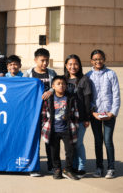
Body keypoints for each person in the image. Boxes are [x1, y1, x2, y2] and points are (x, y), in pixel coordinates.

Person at [86, 49, 121, 179]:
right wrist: (92, 112)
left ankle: (111, 168)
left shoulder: (111, 74)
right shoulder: (88, 75)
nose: (98, 61)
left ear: (104, 59)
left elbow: (116, 95)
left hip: (109, 114)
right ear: (91, 61)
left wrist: (112, 113)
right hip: (95, 114)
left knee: (108, 140)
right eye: (95, 59)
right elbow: (87, 97)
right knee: (97, 141)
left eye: (100, 59)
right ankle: (99, 167)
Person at [23, 48, 56, 176]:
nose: (44, 63)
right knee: (33, 140)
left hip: (48, 112)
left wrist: (51, 91)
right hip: (32, 113)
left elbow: (58, 85)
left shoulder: (52, 73)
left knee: (50, 140)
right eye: (42, 60)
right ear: (35, 60)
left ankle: (51, 166)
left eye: (47, 60)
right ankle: (33, 167)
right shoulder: (28, 73)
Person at [41, 76, 79, 180]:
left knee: (70, 151)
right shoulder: (49, 99)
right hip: (53, 130)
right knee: (54, 151)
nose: (61, 86)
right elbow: (44, 113)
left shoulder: (70, 98)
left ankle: (67, 169)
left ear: (66, 86)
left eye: (63, 84)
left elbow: (75, 112)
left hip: (68, 130)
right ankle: (57, 169)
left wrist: (75, 125)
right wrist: (44, 125)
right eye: (58, 84)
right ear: (53, 86)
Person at [64, 54, 92, 178]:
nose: (73, 66)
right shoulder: (63, 80)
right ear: (66, 66)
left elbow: (87, 100)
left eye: (75, 64)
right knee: (71, 143)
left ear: (79, 65)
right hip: (68, 119)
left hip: (80, 118)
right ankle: (73, 166)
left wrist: (86, 118)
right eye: (70, 64)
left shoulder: (84, 79)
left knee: (79, 143)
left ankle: (81, 167)